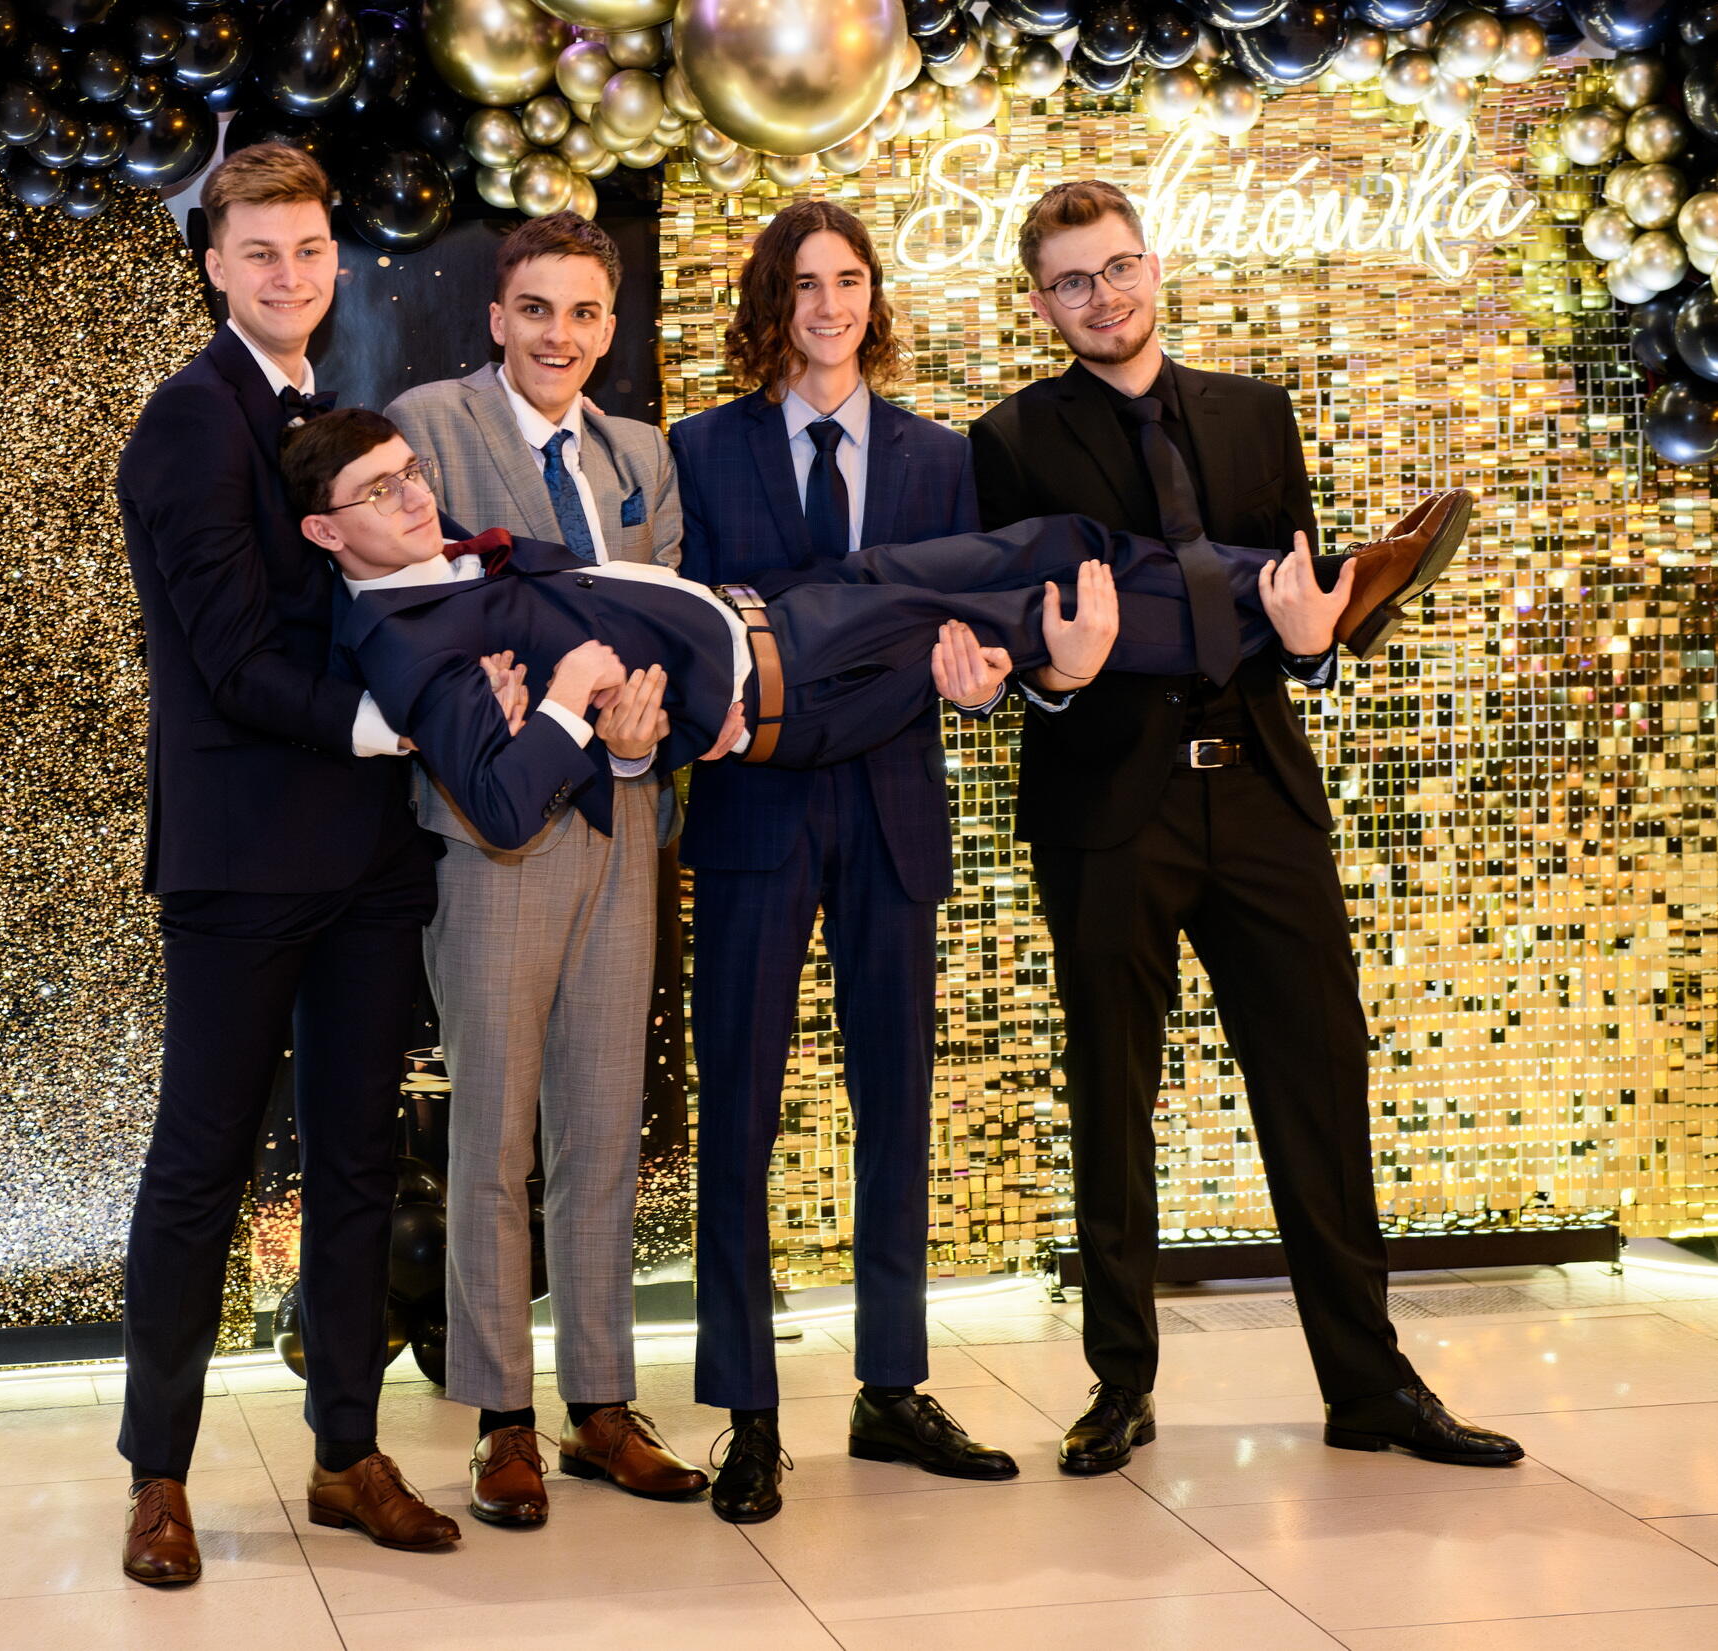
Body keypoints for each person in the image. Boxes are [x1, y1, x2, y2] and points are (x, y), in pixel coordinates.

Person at [968, 179, 1521, 1476]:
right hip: (1107, 807)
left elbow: (1294, 611)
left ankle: (1370, 1385)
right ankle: (1119, 1385)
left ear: (1152, 266)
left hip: (1262, 791)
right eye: (1070, 281)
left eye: (1116, 267)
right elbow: (1016, 644)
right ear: (1039, 304)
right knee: (1111, 1093)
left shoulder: (1257, 414)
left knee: (1320, 1079)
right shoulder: (1006, 442)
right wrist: (1056, 673)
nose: (1101, 297)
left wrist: (1322, 643)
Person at [286, 408, 1455, 888]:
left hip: (782, 609)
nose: (413, 496)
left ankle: (1298, 591)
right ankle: (1326, 601)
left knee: (1055, 540)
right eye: (378, 492)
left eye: (410, 472)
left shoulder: (432, 565)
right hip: (789, 679)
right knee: (1024, 610)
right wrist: (567, 703)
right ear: (325, 532)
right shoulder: (403, 646)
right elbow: (499, 807)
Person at [111, 142, 459, 1587]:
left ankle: (344, 1454)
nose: (288, 273)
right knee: (202, 1165)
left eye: (309, 249)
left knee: (360, 1157)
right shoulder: (186, 424)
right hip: (244, 857)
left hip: (369, 854)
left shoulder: (328, 412)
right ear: (213, 264)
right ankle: (158, 1476)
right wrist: (388, 722)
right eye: (259, 251)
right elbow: (230, 655)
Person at [664, 199, 1033, 1523]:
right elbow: (690, 623)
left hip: (890, 808)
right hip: (755, 811)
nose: (829, 305)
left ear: (875, 297)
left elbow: (971, 631)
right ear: (772, 303)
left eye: (850, 280)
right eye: (804, 283)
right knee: (738, 1114)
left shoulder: (942, 457)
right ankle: (748, 1411)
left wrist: (984, 679)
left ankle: (891, 1385)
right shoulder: (699, 447)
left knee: (896, 1106)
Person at [382, 213, 707, 1525]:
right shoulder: (430, 425)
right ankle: (500, 1417)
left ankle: (602, 1404)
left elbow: (668, 616)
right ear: (495, 317)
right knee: (493, 1135)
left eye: (580, 312)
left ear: (608, 328)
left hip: (620, 816)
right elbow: (410, 600)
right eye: (533, 308)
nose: (556, 334)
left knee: (602, 1125)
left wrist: (645, 724)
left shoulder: (642, 454)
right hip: (493, 827)